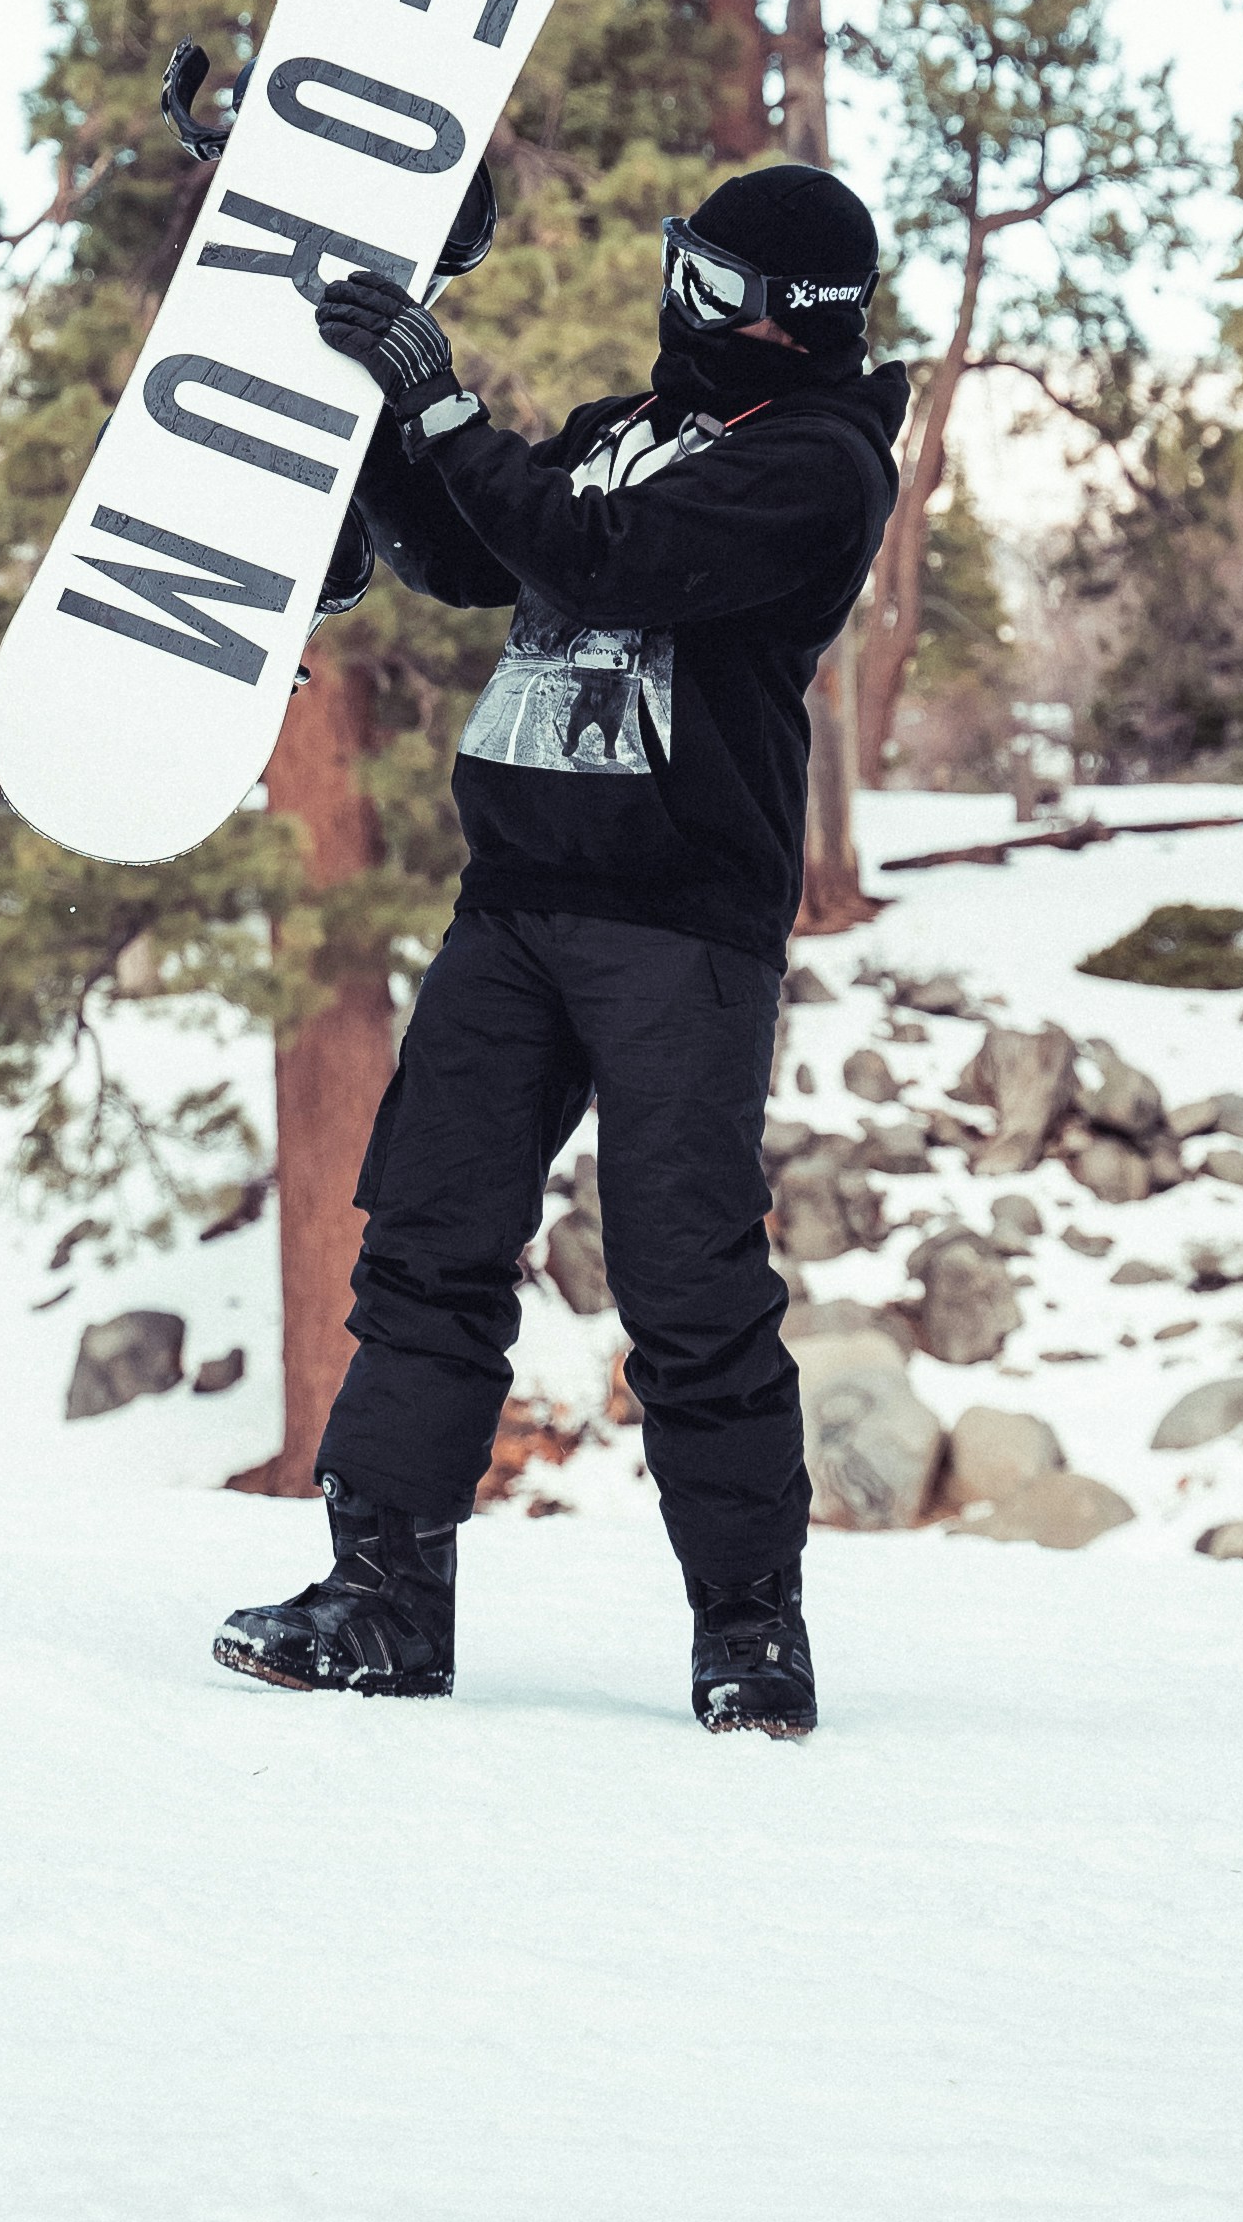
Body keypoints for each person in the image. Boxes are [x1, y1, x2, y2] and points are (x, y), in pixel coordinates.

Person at [213, 163, 906, 1739]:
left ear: (798, 326)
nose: (686, 306)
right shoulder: (621, 429)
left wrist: (445, 408)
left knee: (685, 1281)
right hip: (513, 903)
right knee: (427, 1243)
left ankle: (750, 1628)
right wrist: (384, 411)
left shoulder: (816, 466)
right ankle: (382, 1601)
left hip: (677, 929)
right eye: (685, 267)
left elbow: (606, 560)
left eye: (718, 288)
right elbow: (478, 550)